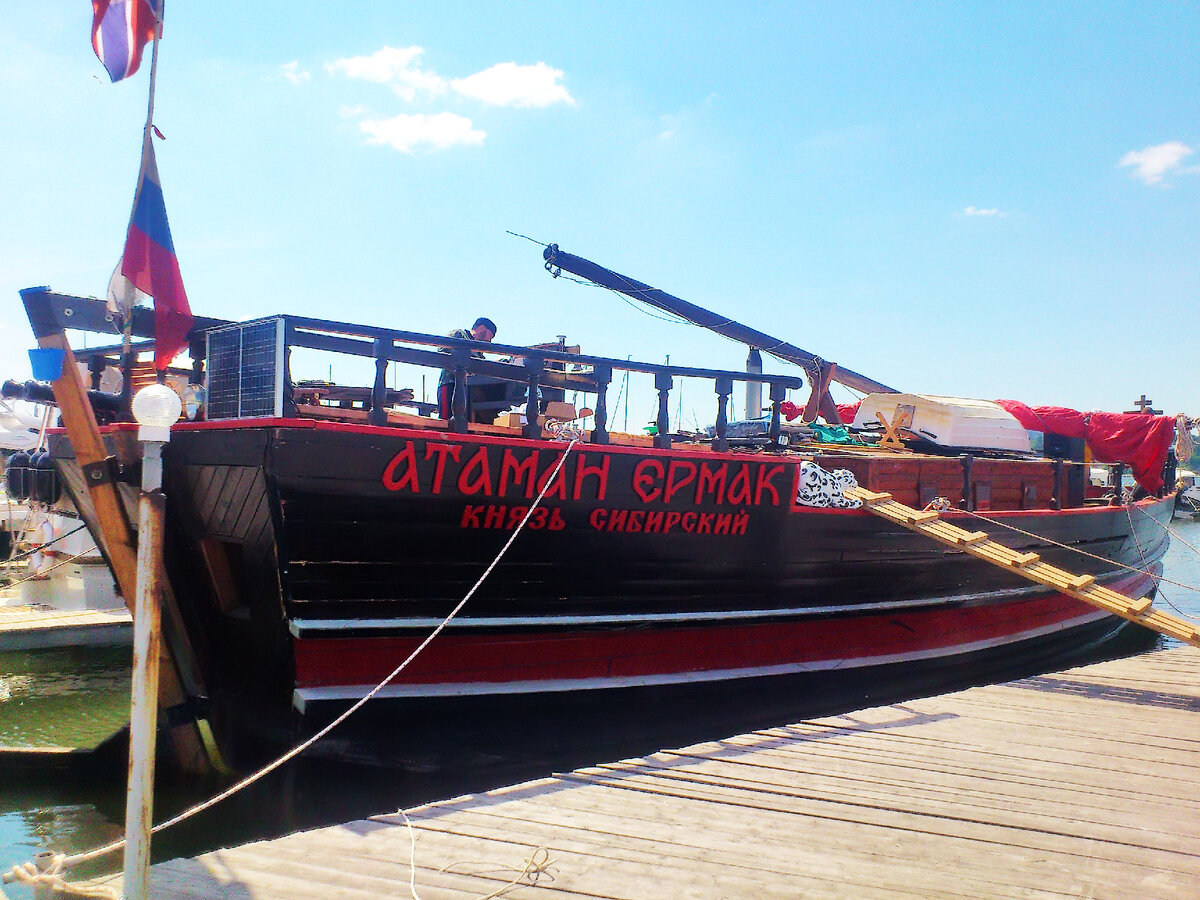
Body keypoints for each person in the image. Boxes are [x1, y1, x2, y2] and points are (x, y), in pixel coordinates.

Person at [437, 317, 497, 419]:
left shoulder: (479, 353)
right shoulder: (459, 334)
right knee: (446, 422)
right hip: (450, 384)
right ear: (482, 328)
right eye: (490, 335)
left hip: (470, 392)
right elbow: (442, 350)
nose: (489, 341)